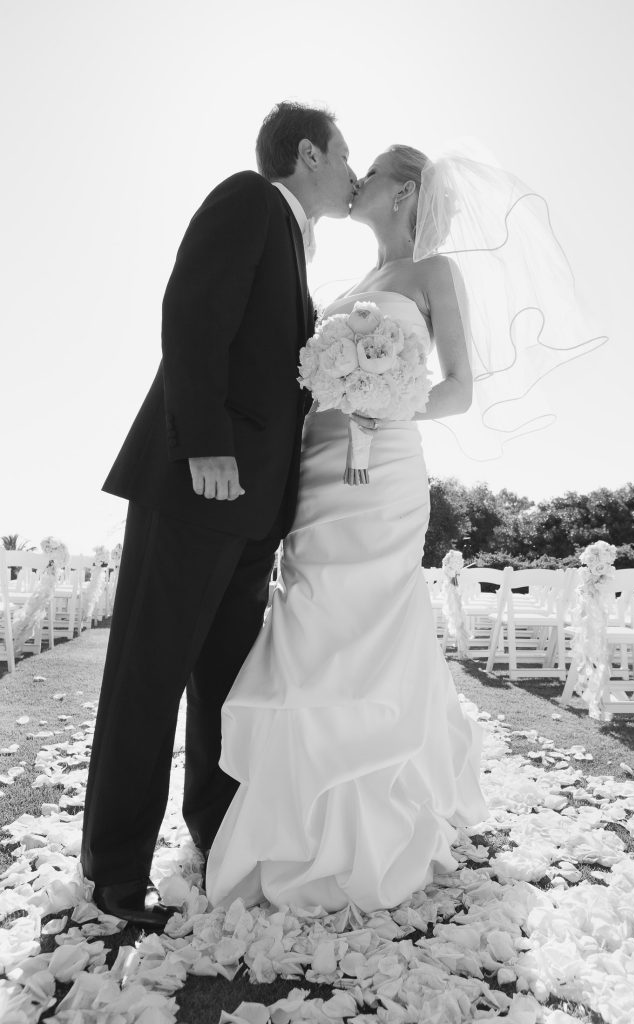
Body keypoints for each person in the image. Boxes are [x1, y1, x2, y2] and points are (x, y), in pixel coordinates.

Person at [80, 102, 357, 929]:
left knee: (223, 685)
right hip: (198, 486)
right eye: (345, 157)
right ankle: (115, 873)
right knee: (148, 675)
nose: (352, 172)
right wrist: (204, 443)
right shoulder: (246, 199)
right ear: (308, 153)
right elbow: (191, 316)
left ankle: (217, 838)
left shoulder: (293, 239)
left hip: (252, 510)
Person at [206, 145, 489, 913]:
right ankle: (297, 806)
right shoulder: (344, 287)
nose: (354, 178)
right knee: (310, 607)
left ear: (404, 192)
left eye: (372, 173)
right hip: (320, 464)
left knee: (368, 610)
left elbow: (458, 390)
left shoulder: (435, 274)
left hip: (386, 466)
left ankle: (379, 805)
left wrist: (382, 394)